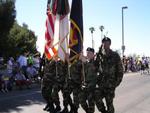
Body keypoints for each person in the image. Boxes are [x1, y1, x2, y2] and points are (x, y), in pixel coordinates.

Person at [96, 37, 124, 113]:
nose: (105, 44)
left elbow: (120, 71)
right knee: (96, 97)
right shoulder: (99, 55)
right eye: (104, 43)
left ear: (110, 44)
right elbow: (95, 67)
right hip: (101, 84)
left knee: (109, 104)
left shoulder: (115, 55)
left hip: (110, 85)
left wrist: (116, 83)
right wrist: (98, 54)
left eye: (107, 43)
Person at [79, 47, 97, 113]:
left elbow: (93, 68)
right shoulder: (86, 62)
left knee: (91, 104)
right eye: (87, 53)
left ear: (93, 54)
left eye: (89, 53)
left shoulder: (96, 62)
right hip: (86, 86)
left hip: (92, 87)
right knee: (81, 99)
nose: (88, 54)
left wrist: (85, 62)